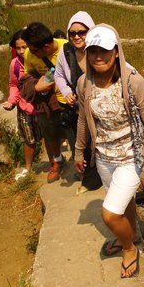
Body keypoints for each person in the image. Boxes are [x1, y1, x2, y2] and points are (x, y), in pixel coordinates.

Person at [74, 24, 144, 279]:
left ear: (116, 52)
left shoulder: (133, 82)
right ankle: (132, 232)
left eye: (105, 50)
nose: (98, 56)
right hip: (103, 158)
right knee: (124, 203)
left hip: (131, 158)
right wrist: (79, 152)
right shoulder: (84, 83)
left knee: (110, 214)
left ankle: (129, 248)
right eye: (93, 51)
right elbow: (82, 119)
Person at [54, 11, 102, 194]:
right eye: (72, 33)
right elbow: (58, 75)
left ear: (91, 31)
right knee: (81, 144)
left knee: (100, 144)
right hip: (76, 109)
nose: (76, 36)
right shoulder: (65, 52)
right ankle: (88, 180)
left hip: (99, 106)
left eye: (81, 32)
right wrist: (66, 91)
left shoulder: (99, 48)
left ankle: (105, 177)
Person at [20, 22, 68, 183]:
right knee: (50, 134)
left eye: (33, 50)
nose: (29, 53)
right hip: (47, 102)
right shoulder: (29, 54)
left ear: (46, 47)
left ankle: (80, 164)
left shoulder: (67, 48)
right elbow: (28, 76)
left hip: (70, 100)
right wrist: (36, 86)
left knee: (75, 135)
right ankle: (57, 161)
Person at [1, 30, 41, 181]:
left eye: (25, 47)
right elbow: (13, 85)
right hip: (24, 108)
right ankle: (28, 168)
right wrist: (11, 101)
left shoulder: (39, 59)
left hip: (41, 106)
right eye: (18, 48)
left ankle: (54, 163)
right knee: (29, 139)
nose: (22, 51)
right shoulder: (15, 64)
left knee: (48, 137)